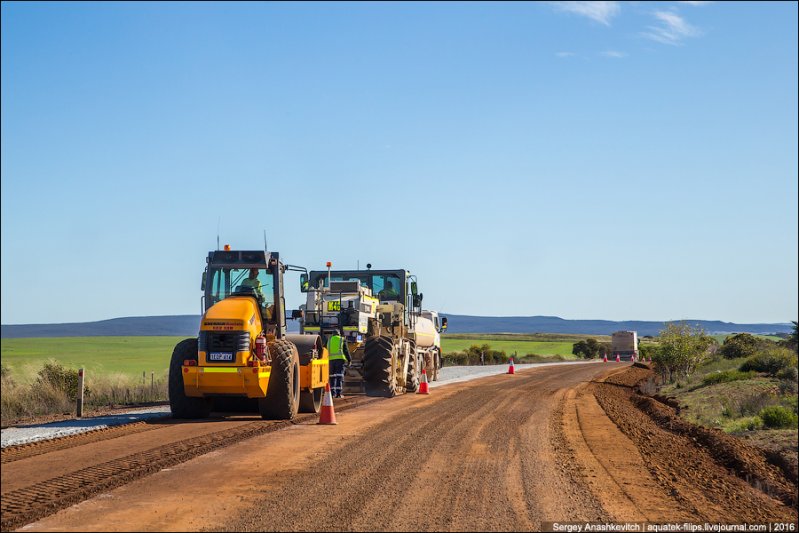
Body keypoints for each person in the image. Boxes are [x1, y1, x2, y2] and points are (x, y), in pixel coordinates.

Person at [327, 330, 351, 399]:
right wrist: (349, 360)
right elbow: (346, 350)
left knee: (332, 377)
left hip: (331, 361)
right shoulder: (341, 339)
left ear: (332, 334)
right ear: (339, 334)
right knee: (339, 376)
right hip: (340, 360)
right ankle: (338, 394)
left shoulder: (329, 340)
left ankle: (332, 394)